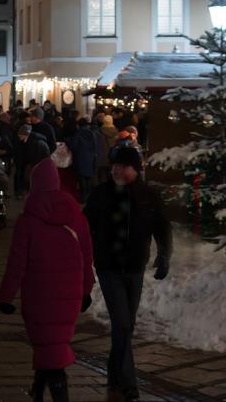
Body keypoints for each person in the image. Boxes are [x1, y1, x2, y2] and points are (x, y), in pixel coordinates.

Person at [0, 157, 94, 402]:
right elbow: (87, 255)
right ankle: (37, 390)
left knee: (49, 347)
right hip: (69, 297)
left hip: (38, 296)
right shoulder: (75, 215)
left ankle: (58, 394)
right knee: (53, 344)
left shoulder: (28, 220)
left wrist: (6, 297)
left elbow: (16, 263)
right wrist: (86, 290)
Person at [83, 146, 172, 402]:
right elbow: (85, 224)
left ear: (135, 169)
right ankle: (129, 384)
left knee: (125, 327)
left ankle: (114, 374)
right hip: (109, 268)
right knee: (122, 324)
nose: (117, 170)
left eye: (123, 166)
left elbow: (162, 226)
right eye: (115, 166)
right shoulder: (102, 193)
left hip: (135, 268)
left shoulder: (147, 195)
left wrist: (164, 254)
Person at [14, 124, 51, 196]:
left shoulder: (36, 142)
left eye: (20, 134)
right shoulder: (26, 141)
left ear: (25, 134)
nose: (19, 136)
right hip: (30, 164)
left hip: (36, 164)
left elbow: (38, 156)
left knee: (32, 179)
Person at [68, 117, 99, 203]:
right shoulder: (92, 134)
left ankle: (83, 198)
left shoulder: (77, 134)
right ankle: (89, 197)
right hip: (90, 158)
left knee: (82, 179)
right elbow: (96, 146)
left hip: (80, 158)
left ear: (79, 125)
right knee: (88, 178)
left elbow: (73, 146)